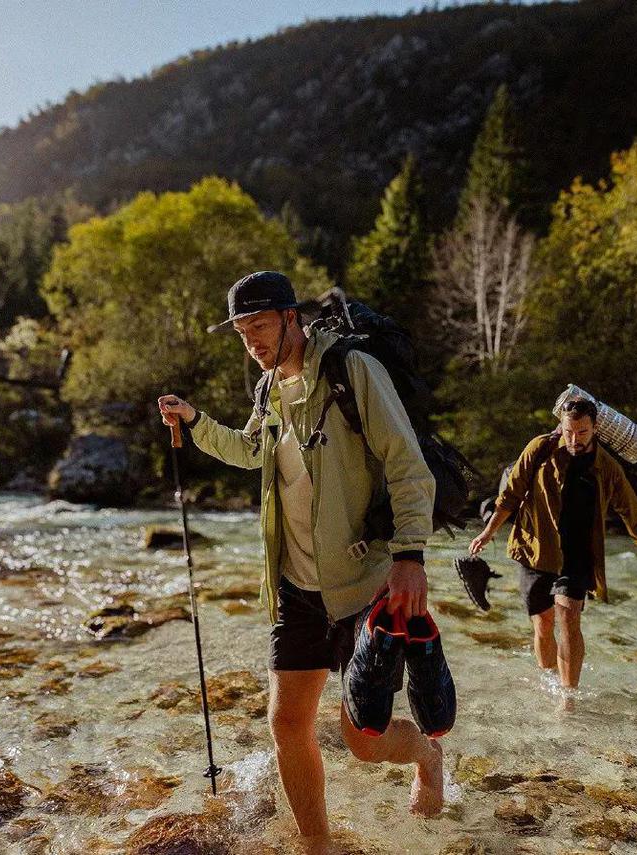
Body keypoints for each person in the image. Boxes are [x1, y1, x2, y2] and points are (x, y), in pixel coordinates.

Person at [158, 271, 443, 851]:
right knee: (287, 725)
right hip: (297, 586)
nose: (251, 343)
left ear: (292, 317)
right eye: (242, 332)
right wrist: (194, 422)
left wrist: (410, 555)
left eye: (259, 327)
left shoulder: (352, 372)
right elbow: (251, 450)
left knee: (362, 740)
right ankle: (318, 844)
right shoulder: (268, 391)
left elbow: (407, 464)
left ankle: (425, 751)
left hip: (365, 582)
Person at [469, 398, 637, 691]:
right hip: (536, 548)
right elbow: (511, 494)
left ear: (596, 428)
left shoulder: (607, 467)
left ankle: (568, 698)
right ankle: (548, 679)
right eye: (569, 431)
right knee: (543, 624)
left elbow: (633, 514)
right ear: (560, 426)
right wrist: (487, 533)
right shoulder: (540, 448)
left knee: (568, 617)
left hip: (577, 556)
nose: (574, 439)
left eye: (582, 432)